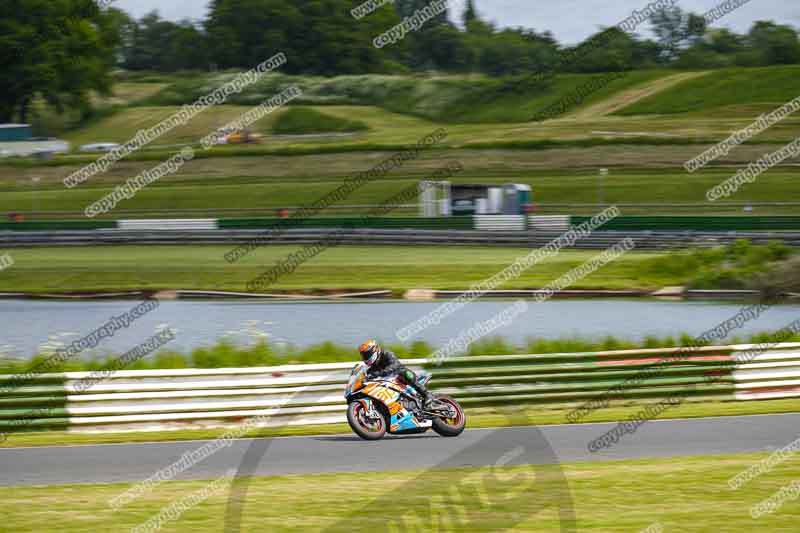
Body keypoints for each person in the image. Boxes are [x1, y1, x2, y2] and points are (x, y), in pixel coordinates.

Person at [358, 339, 432, 408]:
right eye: (364, 355)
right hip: (388, 384)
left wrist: (379, 373)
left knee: (404, 373)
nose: (365, 357)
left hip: (400, 376)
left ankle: (426, 394)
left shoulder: (387, 354)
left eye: (367, 354)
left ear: (374, 350)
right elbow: (367, 376)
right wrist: (364, 379)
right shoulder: (371, 367)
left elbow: (395, 365)